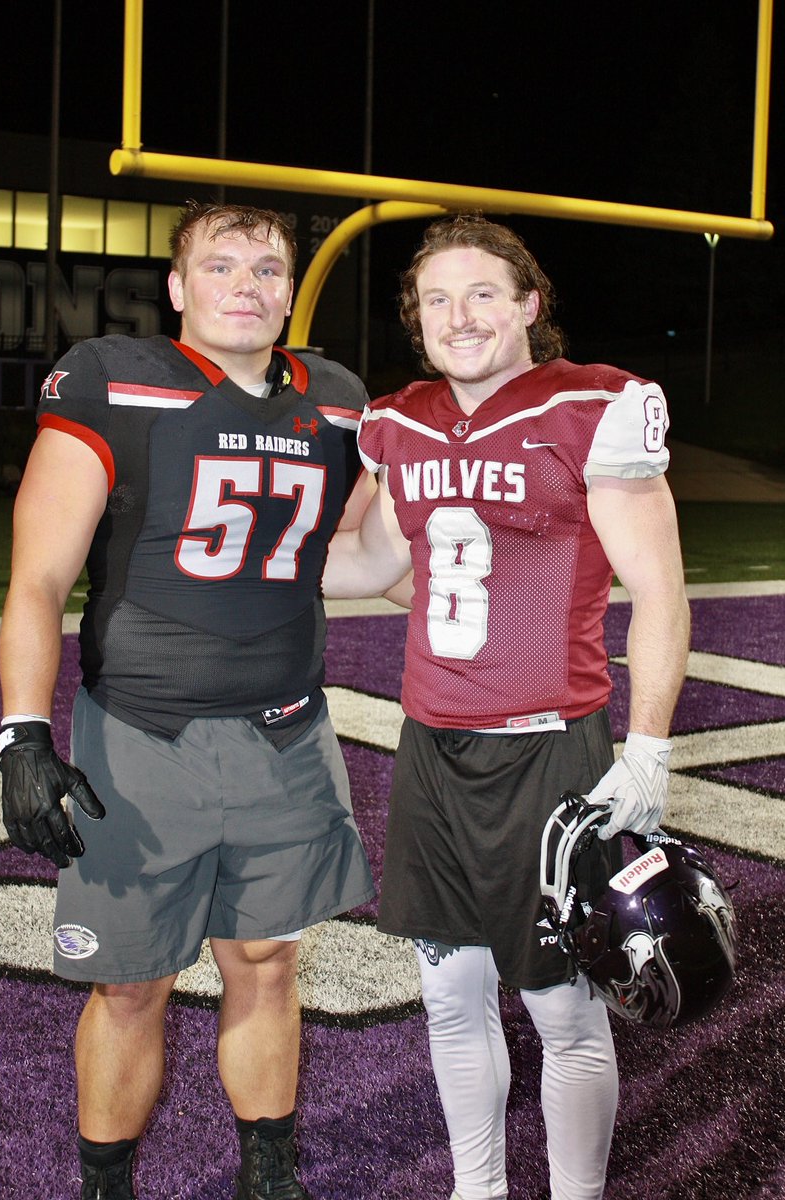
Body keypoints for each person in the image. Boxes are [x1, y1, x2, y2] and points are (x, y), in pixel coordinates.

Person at [0, 201, 375, 1200]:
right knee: (130, 986)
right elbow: (36, 577)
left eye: (265, 269)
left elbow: (354, 559)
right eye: (220, 266)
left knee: (266, 960)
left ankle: (268, 1179)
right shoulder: (116, 380)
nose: (244, 286)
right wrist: (22, 731)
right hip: (141, 732)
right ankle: (107, 1187)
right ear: (176, 287)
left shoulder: (336, 399)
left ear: (291, 289)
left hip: (287, 730)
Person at [322, 214, 691, 1200]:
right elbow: (368, 562)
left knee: (562, 1010)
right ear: (416, 322)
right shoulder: (396, 421)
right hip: (433, 750)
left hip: (546, 752)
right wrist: (248, 557)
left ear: (531, 304)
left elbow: (657, 589)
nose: (460, 315)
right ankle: (474, 1191)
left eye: (483, 291)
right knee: (449, 992)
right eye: (437, 299)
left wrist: (648, 747)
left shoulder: (592, 406)